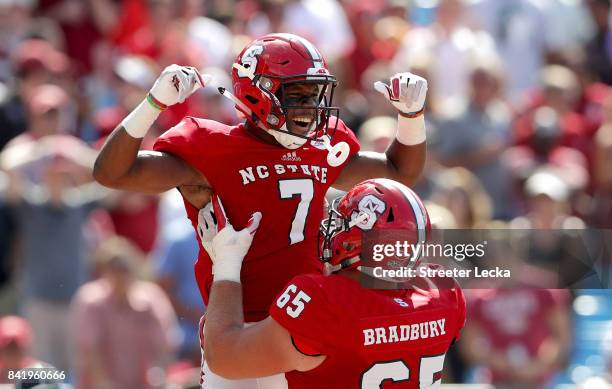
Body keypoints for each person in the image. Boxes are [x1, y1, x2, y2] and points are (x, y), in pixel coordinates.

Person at [93, 33, 427, 386]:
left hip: (304, 325)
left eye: (315, 95)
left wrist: (411, 116)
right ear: (257, 92)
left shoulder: (322, 146)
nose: (310, 107)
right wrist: (153, 104)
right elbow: (111, 173)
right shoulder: (213, 149)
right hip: (235, 322)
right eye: (297, 94)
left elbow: (399, 171)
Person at [201, 178, 466, 388]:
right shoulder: (444, 292)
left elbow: (224, 357)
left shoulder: (322, 299)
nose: (332, 230)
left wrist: (227, 263)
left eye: (340, 224)